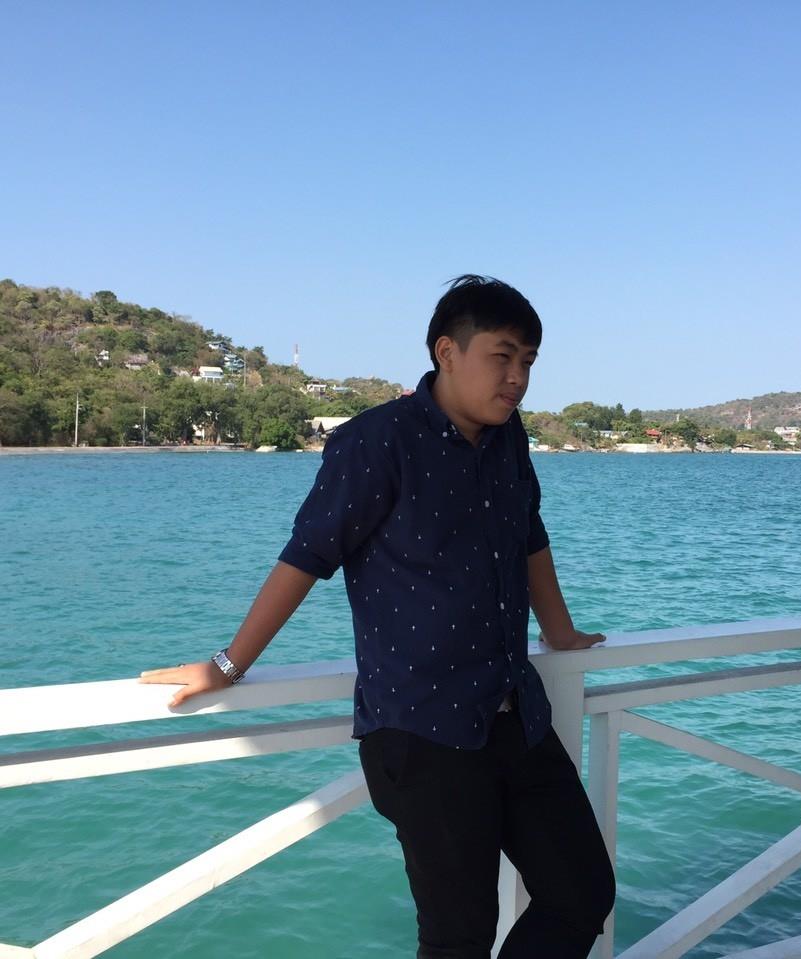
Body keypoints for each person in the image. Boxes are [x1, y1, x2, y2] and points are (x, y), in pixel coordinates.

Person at [140, 275, 615, 958]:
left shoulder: (510, 439)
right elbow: (306, 556)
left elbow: (530, 536)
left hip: (517, 714)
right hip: (424, 731)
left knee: (582, 892)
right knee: (458, 938)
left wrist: (561, 632)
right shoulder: (376, 442)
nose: (517, 378)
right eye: (502, 357)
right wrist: (227, 664)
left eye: (529, 362)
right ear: (447, 351)